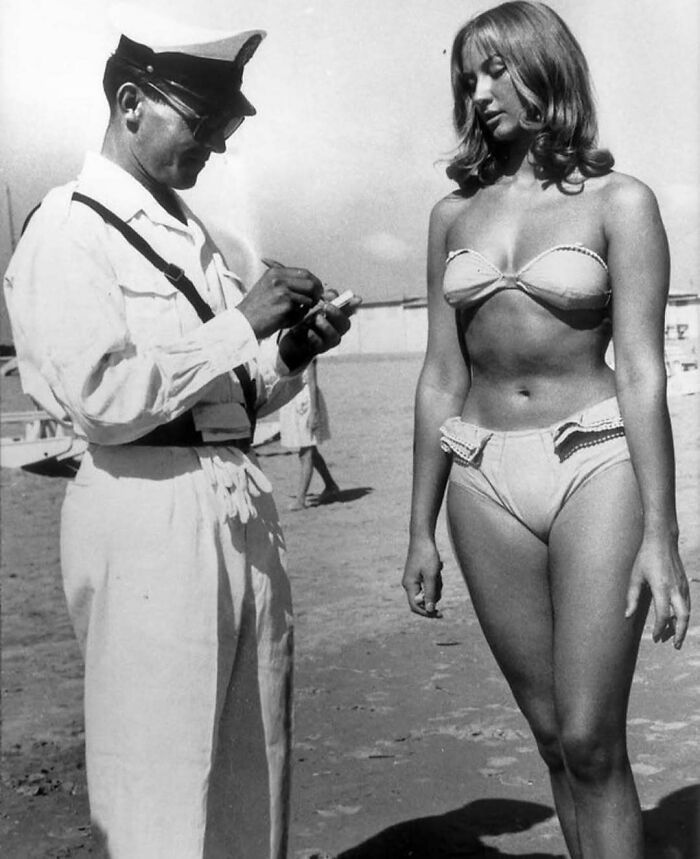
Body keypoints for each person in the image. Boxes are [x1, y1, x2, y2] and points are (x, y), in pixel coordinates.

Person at [4, 8, 359, 859]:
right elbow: (102, 398)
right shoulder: (69, 225)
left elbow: (225, 401)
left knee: (253, 756)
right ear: (131, 104)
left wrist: (291, 349)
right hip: (144, 509)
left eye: (226, 130)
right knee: (159, 778)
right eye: (204, 126)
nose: (217, 149)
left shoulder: (189, 233)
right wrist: (242, 320)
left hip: (233, 501)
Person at [401, 3, 690, 858]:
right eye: (468, 77)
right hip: (482, 476)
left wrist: (664, 537)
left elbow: (642, 368)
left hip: (596, 465)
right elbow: (439, 375)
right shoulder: (452, 216)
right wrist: (418, 527)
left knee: (596, 736)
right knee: (555, 738)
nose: (479, 92)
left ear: (544, 67)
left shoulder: (621, 202)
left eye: (496, 70)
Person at [279, 357, 340, 510]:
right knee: (310, 449)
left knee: (306, 453)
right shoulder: (290, 348)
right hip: (294, 399)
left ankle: (300, 499)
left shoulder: (308, 351)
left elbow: (312, 382)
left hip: (307, 402)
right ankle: (331, 485)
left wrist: (314, 411)